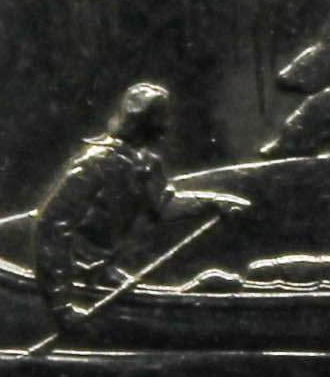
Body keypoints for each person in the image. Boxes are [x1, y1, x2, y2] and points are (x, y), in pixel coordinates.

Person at [34, 82, 247, 318]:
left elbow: (164, 206)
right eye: (161, 117)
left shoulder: (145, 162)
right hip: (77, 272)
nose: (167, 124)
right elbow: (52, 224)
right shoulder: (96, 163)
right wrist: (60, 304)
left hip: (103, 270)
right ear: (144, 121)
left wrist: (215, 202)